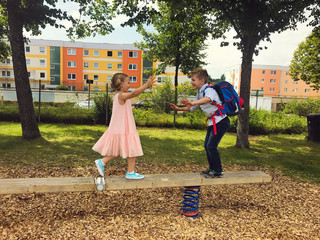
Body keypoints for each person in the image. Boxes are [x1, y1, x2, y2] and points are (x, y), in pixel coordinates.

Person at [93, 73, 156, 179]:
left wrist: (128, 110)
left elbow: (121, 110)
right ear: (121, 84)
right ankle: (130, 172)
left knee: (123, 148)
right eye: (128, 83)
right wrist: (146, 85)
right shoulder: (121, 95)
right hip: (124, 128)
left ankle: (103, 162)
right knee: (131, 147)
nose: (129, 85)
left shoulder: (120, 97)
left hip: (123, 127)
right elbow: (134, 93)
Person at [170, 68, 230, 178]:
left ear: (201, 81)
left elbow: (208, 99)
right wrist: (179, 108)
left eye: (193, 80)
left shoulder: (209, 89)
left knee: (211, 146)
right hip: (214, 122)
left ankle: (218, 171)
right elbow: (192, 108)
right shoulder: (200, 92)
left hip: (221, 121)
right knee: (207, 146)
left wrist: (192, 102)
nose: (191, 82)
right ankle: (212, 168)